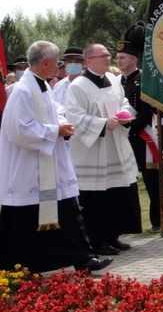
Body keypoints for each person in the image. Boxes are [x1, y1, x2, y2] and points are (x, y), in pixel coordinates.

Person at [0, 41, 113, 273]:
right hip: (31, 170)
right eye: (57, 62)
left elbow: (56, 111)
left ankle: (83, 258)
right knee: (28, 220)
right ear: (46, 63)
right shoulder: (23, 90)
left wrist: (62, 123)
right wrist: (54, 131)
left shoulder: (44, 85)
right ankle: (22, 265)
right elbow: (18, 129)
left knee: (68, 211)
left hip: (51, 166)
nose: (59, 66)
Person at [65, 43, 142, 256]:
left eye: (108, 55)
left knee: (115, 193)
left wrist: (125, 114)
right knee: (97, 197)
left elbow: (124, 101)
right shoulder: (78, 86)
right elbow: (74, 117)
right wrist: (102, 123)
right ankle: (97, 240)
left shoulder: (114, 80)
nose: (108, 59)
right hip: (93, 151)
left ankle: (113, 236)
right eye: (102, 56)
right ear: (88, 61)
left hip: (115, 145)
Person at [116, 21, 162, 234]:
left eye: (122, 57)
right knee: (125, 180)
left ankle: (156, 222)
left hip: (141, 135)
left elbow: (146, 109)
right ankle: (128, 222)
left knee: (151, 181)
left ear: (133, 59)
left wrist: (132, 128)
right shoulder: (114, 82)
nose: (118, 60)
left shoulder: (145, 79)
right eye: (117, 58)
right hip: (121, 136)